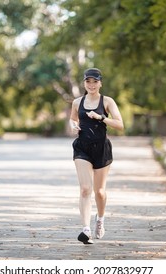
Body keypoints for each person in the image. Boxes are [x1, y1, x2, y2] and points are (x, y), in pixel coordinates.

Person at [69, 68, 124, 244]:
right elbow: (73, 119)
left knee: (99, 192)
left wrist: (101, 118)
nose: (91, 85)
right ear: (84, 83)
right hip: (82, 148)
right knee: (85, 189)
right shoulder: (77, 102)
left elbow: (120, 125)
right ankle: (86, 230)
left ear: (100, 83)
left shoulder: (107, 101)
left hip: (101, 148)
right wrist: (73, 125)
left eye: (95, 81)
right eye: (88, 82)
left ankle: (100, 220)